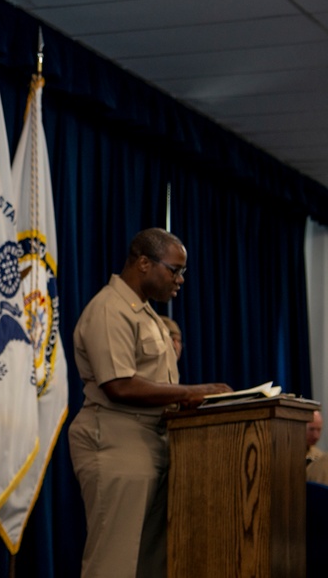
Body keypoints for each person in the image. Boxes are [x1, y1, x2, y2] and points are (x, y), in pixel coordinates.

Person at [68, 228, 231, 578]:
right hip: (115, 439)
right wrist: (191, 392)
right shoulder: (110, 309)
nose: (180, 279)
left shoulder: (147, 314)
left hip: (152, 442)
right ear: (144, 263)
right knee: (114, 562)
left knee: (149, 564)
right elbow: (119, 385)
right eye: (175, 270)